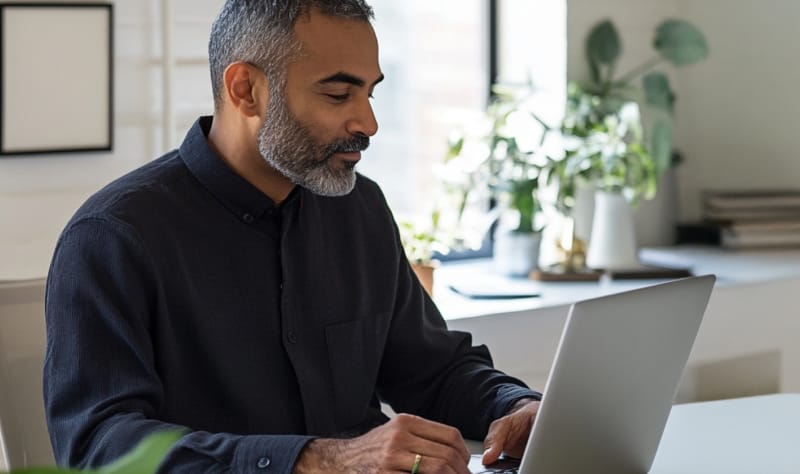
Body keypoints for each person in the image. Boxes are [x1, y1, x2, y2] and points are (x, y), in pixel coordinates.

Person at [43, 1, 542, 472]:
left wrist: (518, 405)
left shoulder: (359, 208)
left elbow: (433, 371)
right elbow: (98, 448)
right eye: (337, 94)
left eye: (370, 93)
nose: (368, 123)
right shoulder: (113, 237)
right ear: (245, 90)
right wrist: (318, 461)